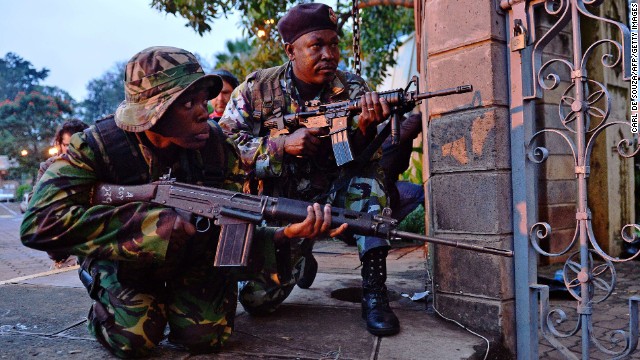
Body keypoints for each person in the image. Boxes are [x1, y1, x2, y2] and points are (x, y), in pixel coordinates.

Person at [20, 46, 345, 358]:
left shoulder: (218, 147)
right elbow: (39, 223)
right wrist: (145, 227)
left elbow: (233, 230)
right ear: (152, 113)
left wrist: (285, 235)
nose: (205, 111)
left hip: (193, 255)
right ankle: (104, 289)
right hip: (122, 259)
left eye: (203, 99)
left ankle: (168, 296)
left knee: (206, 337)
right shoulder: (97, 146)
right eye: (189, 103)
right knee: (134, 339)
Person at [219, 3, 401, 336]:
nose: (329, 54)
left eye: (334, 44)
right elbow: (225, 146)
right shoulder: (256, 90)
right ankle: (302, 257)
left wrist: (364, 128)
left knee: (368, 187)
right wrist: (281, 146)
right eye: (316, 45)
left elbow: (361, 158)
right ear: (291, 50)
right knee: (257, 302)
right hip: (282, 206)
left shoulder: (351, 89)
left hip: (335, 190)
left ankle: (375, 292)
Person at [35, 119, 89, 268]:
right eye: (67, 145)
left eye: (78, 145)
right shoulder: (49, 167)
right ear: (59, 144)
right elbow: (35, 203)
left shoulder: (96, 165)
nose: (73, 150)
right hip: (63, 249)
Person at [380, 113, 425, 222]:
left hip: (380, 190)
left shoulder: (379, 131)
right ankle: (387, 226)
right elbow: (416, 121)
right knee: (419, 193)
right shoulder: (390, 135)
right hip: (381, 194)